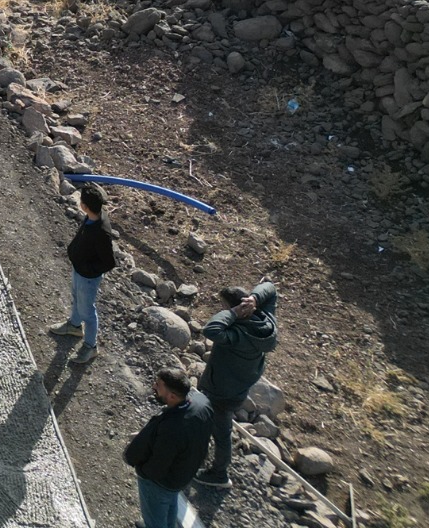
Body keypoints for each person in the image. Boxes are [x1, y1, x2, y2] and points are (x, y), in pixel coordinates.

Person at [195, 281, 279, 488]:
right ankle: (199, 454)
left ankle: (219, 474)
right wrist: (255, 298)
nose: (223, 310)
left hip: (221, 391)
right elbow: (270, 287)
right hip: (238, 387)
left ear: (238, 310)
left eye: (225, 307)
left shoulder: (238, 334)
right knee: (209, 422)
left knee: (221, 431)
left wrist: (232, 313)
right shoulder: (265, 323)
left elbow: (211, 330)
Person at [124, 368, 213, 528]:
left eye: (158, 385)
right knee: (171, 503)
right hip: (182, 475)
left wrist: (141, 472)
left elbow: (156, 468)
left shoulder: (173, 429)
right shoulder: (202, 404)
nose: (154, 387)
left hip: (160, 483)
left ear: (172, 396)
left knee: (155, 517)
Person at [48, 184, 116, 365]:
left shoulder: (101, 232)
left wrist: (88, 269)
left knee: (88, 311)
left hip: (87, 278)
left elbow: (109, 262)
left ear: (85, 206)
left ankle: (90, 346)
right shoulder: (92, 217)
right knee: (76, 299)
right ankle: (74, 326)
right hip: (79, 271)